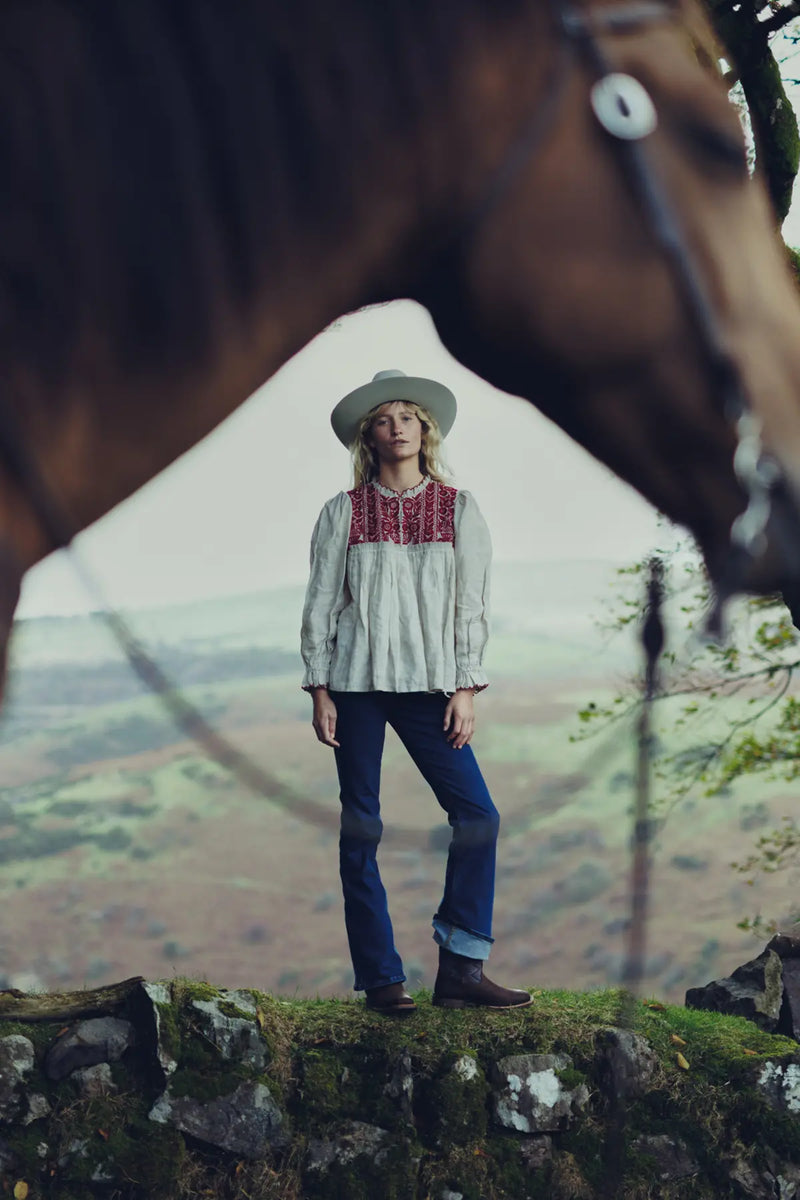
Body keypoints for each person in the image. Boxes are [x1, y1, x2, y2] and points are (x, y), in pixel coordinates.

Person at [300, 368, 531, 1015]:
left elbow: (470, 606)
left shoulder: (459, 509)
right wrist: (319, 688)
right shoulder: (341, 512)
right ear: (368, 437)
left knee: (478, 817)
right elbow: (320, 605)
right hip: (354, 689)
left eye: (407, 415)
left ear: (423, 430)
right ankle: (381, 982)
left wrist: (465, 686)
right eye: (383, 418)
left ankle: (461, 967)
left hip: (433, 691)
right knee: (361, 829)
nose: (396, 426)